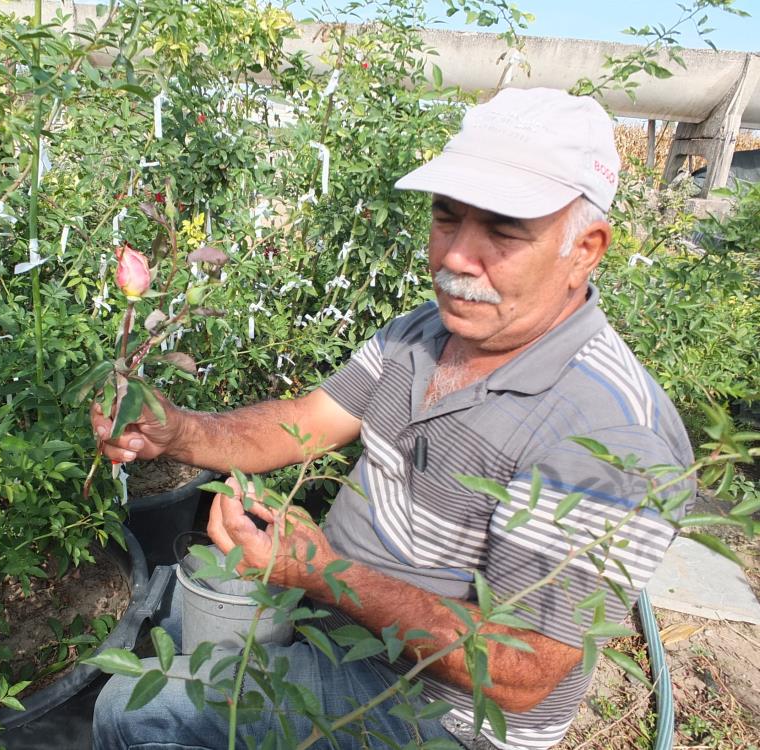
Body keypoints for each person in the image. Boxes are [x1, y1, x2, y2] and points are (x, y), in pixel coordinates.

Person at [90, 87, 694, 750]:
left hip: (435, 709)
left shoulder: (608, 436)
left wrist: (321, 573)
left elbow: (524, 669)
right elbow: (306, 420)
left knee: (135, 708)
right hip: (337, 621)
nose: (456, 257)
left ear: (585, 249)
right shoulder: (425, 333)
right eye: (447, 216)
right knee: (178, 613)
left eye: (503, 230)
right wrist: (178, 431)